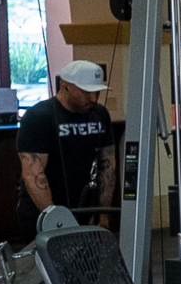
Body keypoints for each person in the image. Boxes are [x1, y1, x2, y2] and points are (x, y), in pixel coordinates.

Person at [16, 59, 115, 238]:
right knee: (47, 266)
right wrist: (56, 220)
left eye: (97, 92)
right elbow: (33, 174)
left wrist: (103, 213)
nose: (93, 98)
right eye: (85, 92)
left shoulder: (100, 114)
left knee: (89, 264)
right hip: (43, 214)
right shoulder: (38, 117)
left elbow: (107, 166)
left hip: (85, 209)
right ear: (65, 86)